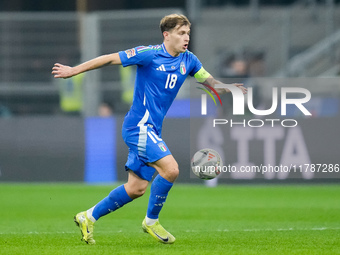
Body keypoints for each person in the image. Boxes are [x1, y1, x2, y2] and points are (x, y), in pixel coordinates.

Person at [52, 14, 247, 245]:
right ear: (167, 35)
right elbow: (108, 59)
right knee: (171, 169)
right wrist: (74, 71)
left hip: (152, 130)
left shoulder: (189, 60)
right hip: (138, 127)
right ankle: (151, 221)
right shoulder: (149, 54)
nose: (187, 38)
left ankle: (87, 216)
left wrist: (227, 87)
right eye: (181, 33)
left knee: (136, 188)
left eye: (188, 33)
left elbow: (210, 82)